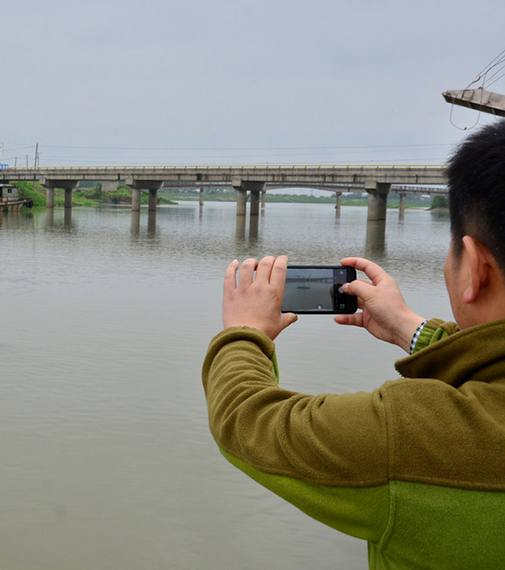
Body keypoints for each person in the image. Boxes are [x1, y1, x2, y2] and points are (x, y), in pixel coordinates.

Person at [202, 118, 505, 569]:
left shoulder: (409, 435)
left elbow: (246, 422)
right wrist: (412, 330)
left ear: (475, 267)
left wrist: (244, 332)